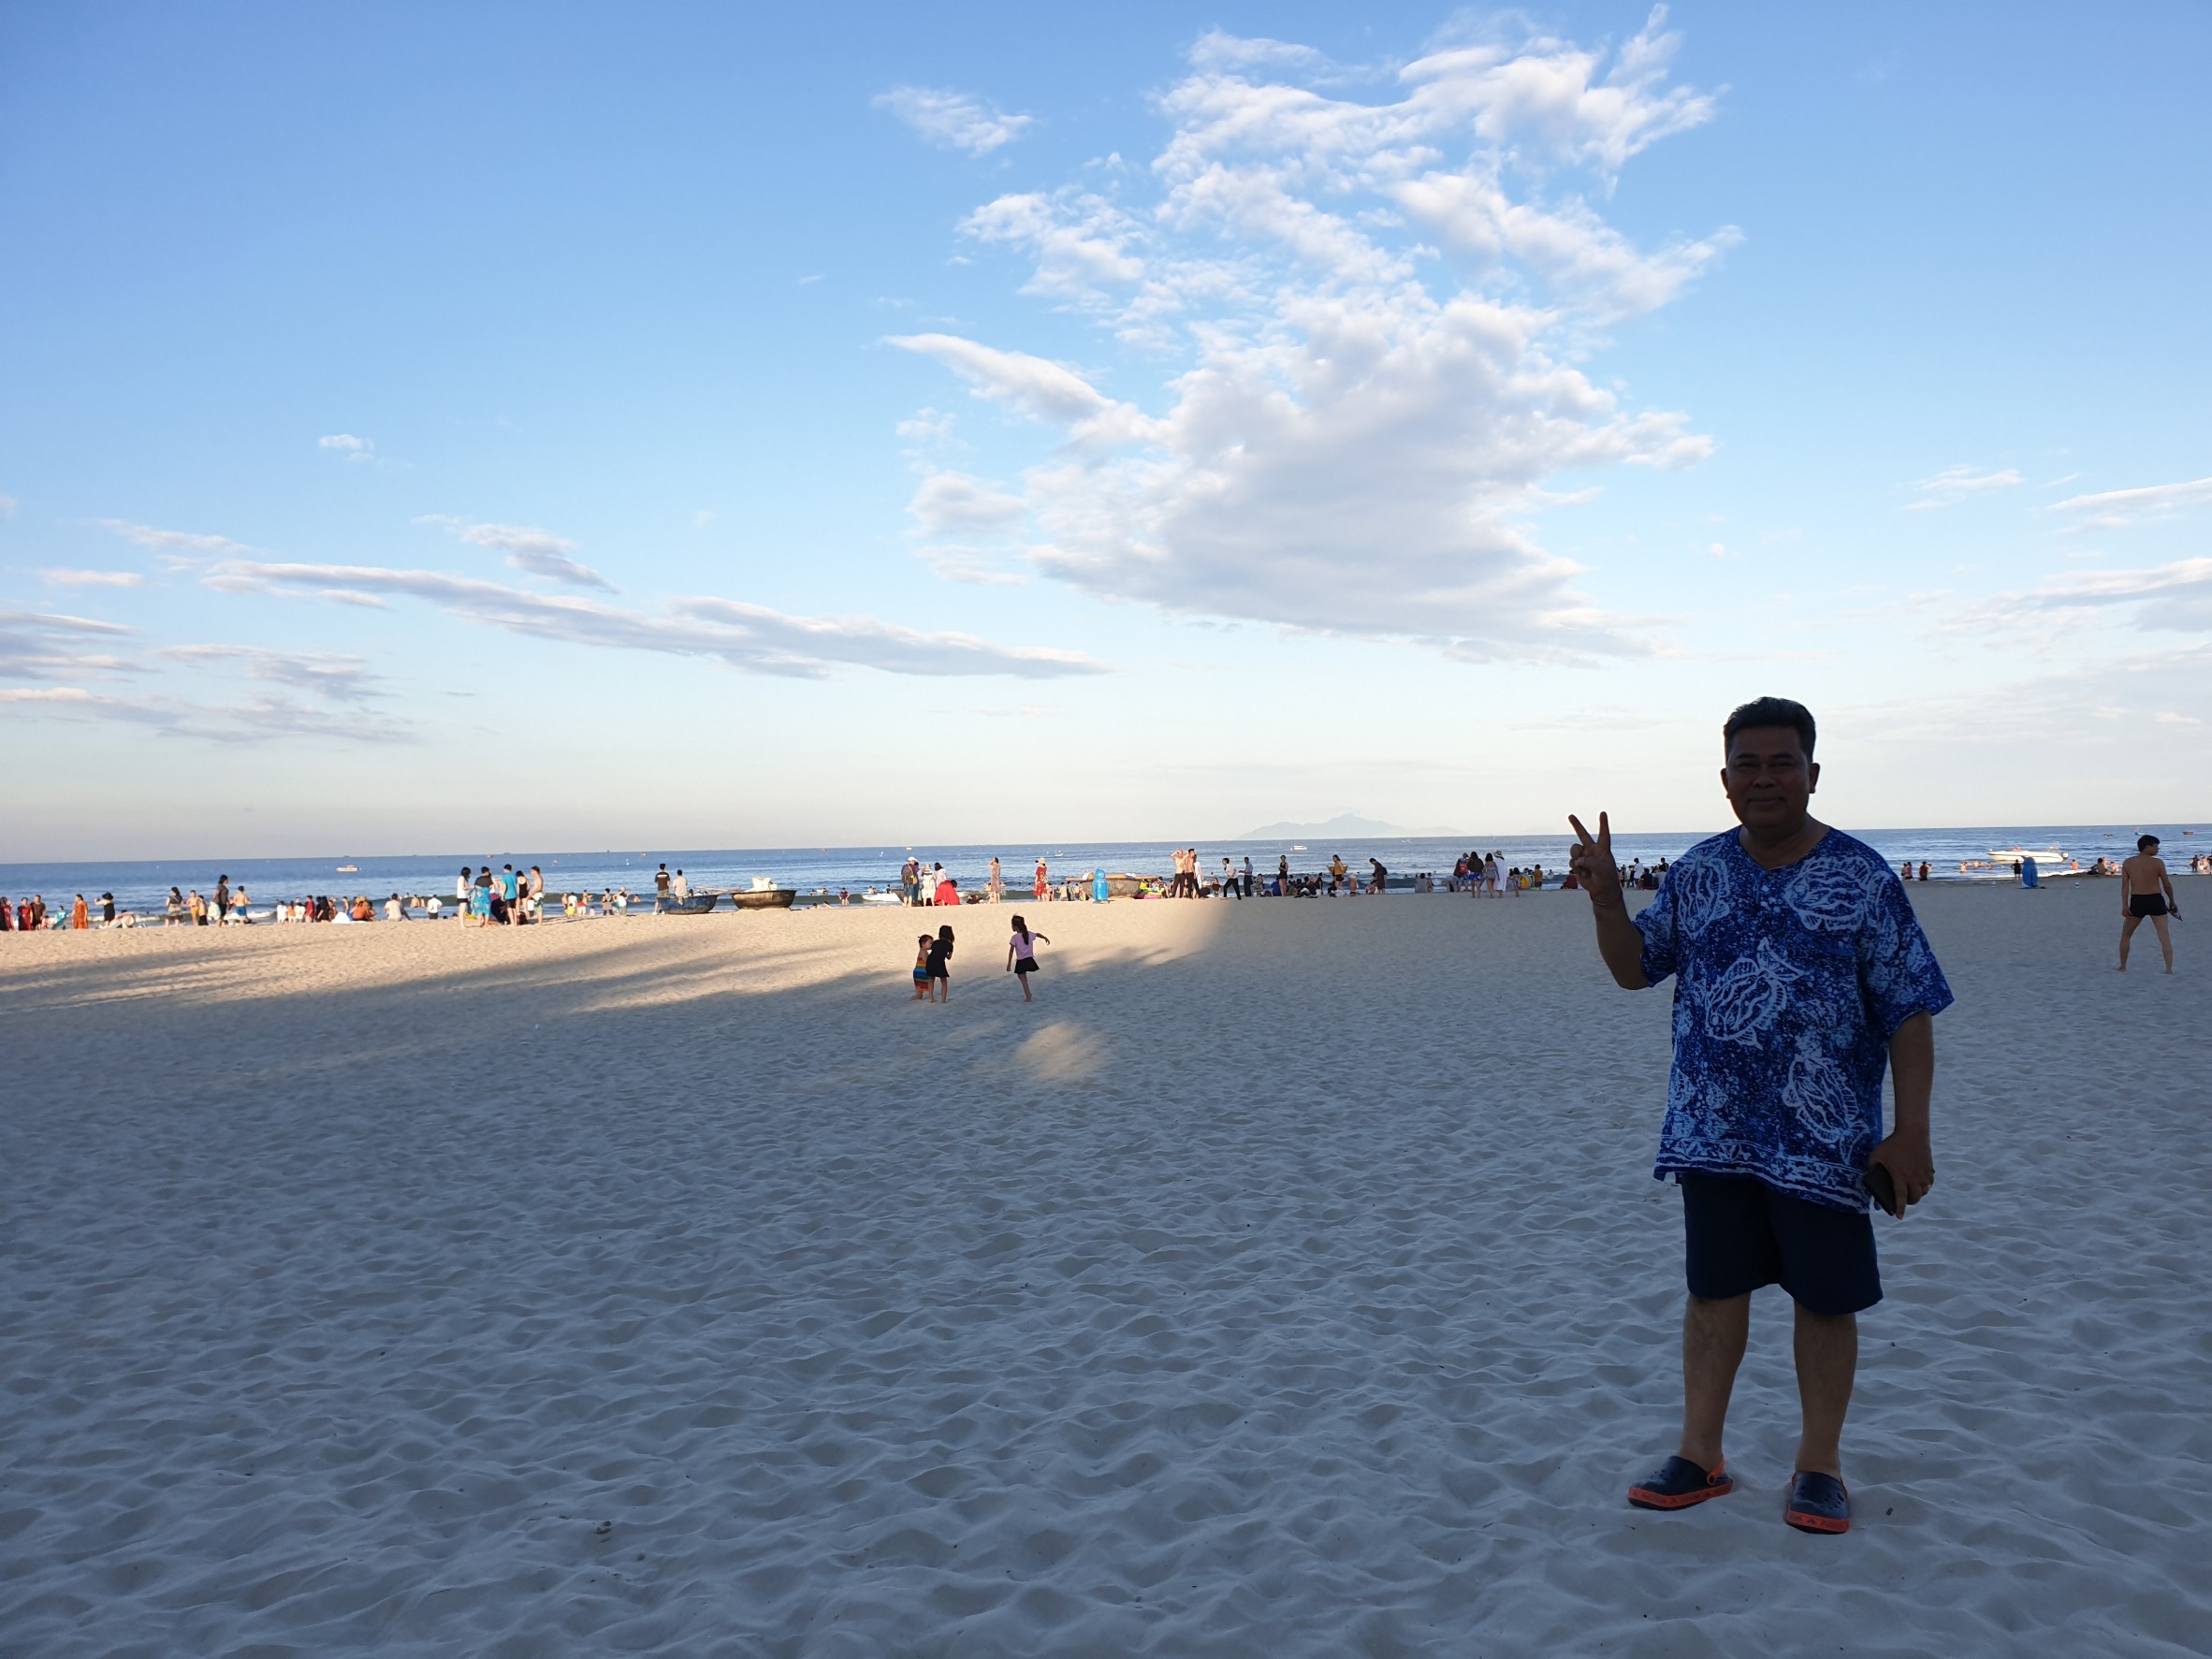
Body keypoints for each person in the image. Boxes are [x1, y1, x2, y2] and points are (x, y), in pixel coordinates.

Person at [1569, 696, 1952, 1536]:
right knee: (1713, 1293)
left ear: (1813, 774)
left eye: (1783, 763)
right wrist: (1605, 902)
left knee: (1825, 1301)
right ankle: (1699, 1453)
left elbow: (1910, 1009)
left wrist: (1911, 1129)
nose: (1765, 778)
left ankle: (1819, 1464)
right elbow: (1636, 969)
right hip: (1712, 1130)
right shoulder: (1698, 871)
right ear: (1725, 779)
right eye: (1749, 764)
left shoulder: (1862, 877)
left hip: (1827, 1138)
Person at [2118, 834, 2177, 973]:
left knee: (2126, 935)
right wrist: (2172, 901)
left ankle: (2123, 967)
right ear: (2147, 847)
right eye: (2156, 846)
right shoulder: (2158, 863)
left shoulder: (2128, 863)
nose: (2158, 849)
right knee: (2164, 936)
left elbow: (2125, 886)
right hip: (2156, 900)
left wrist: (2125, 905)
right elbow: (2167, 885)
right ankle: (2169, 969)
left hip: (2138, 900)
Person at [1006, 914, 1051, 1000]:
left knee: (1022, 978)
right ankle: (1028, 995)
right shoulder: (1029, 934)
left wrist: (1009, 964)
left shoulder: (1015, 937)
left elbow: (1011, 951)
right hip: (1029, 959)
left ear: (1016, 927)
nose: (1011, 927)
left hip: (1021, 961)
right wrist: (1045, 938)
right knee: (1022, 977)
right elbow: (1037, 934)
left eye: (1012, 925)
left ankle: (1028, 996)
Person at [926, 924, 954, 1001]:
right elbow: (949, 957)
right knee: (944, 981)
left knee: (931, 979)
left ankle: (931, 998)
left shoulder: (935, 942)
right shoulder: (950, 945)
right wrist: (945, 954)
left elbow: (932, 949)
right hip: (940, 962)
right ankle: (943, 1000)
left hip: (930, 961)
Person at [910, 934, 933, 999]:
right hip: (921, 972)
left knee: (919, 991)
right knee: (928, 985)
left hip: (917, 972)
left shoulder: (922, 951)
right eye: (930, 943)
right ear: (923, 944)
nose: (932, 945)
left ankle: (916, 997)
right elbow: (927, 963)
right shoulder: (924, 952)